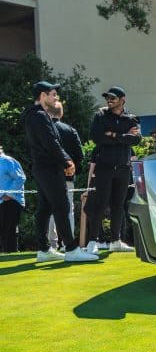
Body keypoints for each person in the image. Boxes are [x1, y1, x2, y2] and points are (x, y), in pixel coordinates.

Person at [22, 81, 98, 262]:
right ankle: (71, 250)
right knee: (62, 206)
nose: (56, 97)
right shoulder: (39, 116)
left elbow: (48, 143)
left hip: (42, 168)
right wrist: (66, 161)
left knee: (45, 208)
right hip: (49, 169)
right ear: (42, 95)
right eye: (53, 94)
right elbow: (51, 142)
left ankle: (44, 250)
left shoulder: (34, 115)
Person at [86, 86, 141, 254]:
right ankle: (92, 241)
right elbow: (97, 138)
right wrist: (124, 136)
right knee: (100, 204)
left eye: (113, 98)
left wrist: (114, 135)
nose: (109, 101)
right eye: (107, 98)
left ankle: (116, 240)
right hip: (104, 167)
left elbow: (136, 139)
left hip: (123, 168)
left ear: (122, 99)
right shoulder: (100, 116)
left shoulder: (131, 118)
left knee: (118, 205)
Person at [45, 101, 83, 251]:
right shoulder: (70, 130)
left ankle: (51, 244)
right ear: (61, 114)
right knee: (69, 210)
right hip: (68, 175)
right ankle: (68, 243)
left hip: (49, 175)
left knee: (50, 209)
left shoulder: (45, 130)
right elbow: (80, 154)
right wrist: (72, 167)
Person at [0, 145, 26, 253]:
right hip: (2, 202)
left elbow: (20, 178)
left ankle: (11, 255)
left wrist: (8, 194)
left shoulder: (7, 161)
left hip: (10, 201)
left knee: (9, 231)